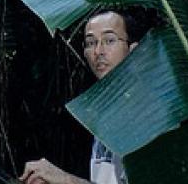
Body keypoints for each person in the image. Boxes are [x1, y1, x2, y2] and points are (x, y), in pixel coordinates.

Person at [19, 10, 140, 184]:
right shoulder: (105, 112)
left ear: (132, 49)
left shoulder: (148, 114)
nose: (98, 51)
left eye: (109, 40)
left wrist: (64, 179)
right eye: (90, 43)